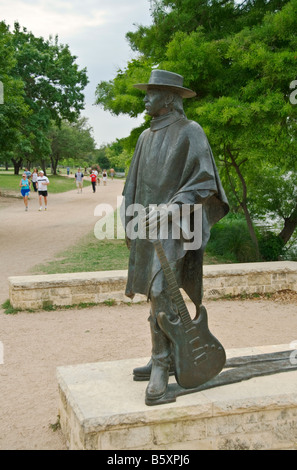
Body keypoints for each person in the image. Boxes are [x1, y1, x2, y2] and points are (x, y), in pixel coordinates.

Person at [121, 70, 229, 405]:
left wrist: (170, 210)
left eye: (151, 93)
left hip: (175, 226)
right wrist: (130, 218)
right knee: (153, 295)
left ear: (169, 97)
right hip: (147, 226)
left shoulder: (190, 131)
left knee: (161, 289)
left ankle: (163, 364)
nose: (145, 99)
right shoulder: (144, 137)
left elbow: (205, 179)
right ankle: (159, 356)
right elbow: (134, 183)